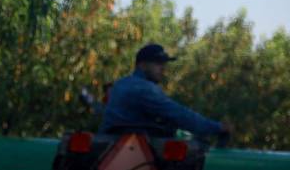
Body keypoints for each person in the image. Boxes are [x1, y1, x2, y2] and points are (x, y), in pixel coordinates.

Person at [99, 44, 232, 138]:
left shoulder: (119, 85)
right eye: (157, 63)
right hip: (135, 152)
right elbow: (178, 114)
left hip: (110, 145)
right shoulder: (145, 89)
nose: (162, 68)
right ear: (142, 65)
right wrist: (216, 127)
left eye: (163, 64)